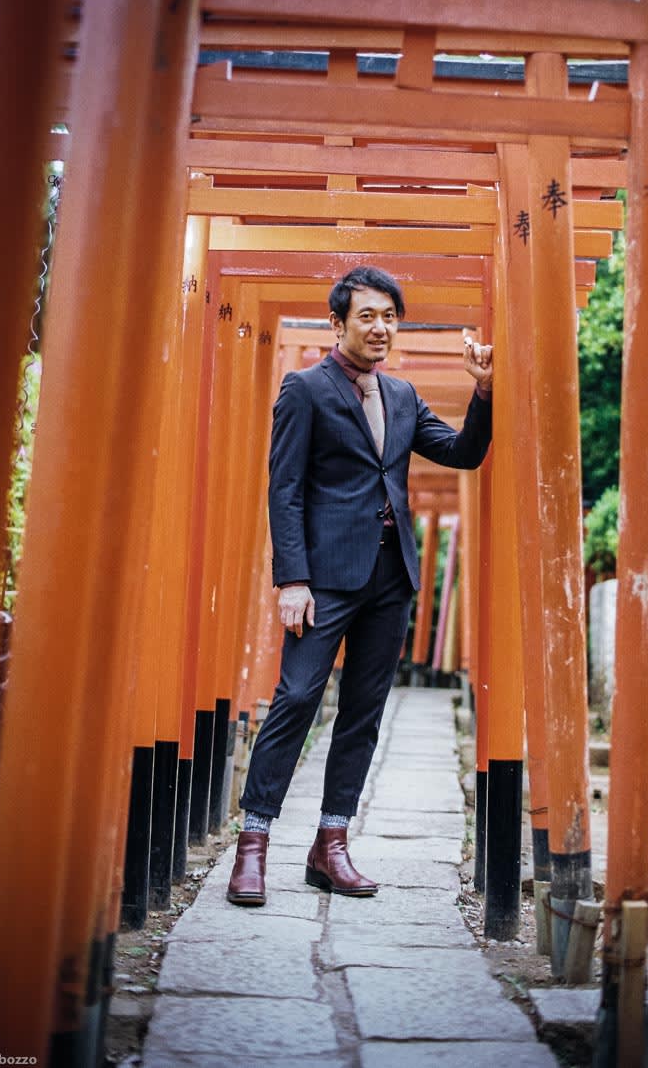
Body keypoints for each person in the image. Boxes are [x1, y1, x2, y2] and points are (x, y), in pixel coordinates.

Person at [227, 265, 493, 905]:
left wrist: (483, 391)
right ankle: (253, 845)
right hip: (324, 580)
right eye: (367, 316)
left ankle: (331, 843)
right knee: (296, 698)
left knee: (364, 712)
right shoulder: (304, 389)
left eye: (389, 317)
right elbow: (285, 489)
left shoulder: (401, 396)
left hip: (390, 578)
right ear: (338, 322)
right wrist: (292, 579)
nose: (381, 328)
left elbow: (462, 453)